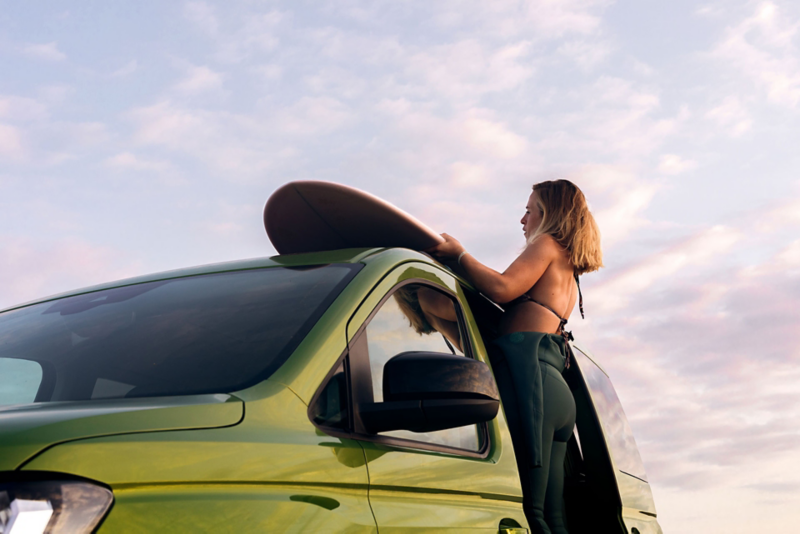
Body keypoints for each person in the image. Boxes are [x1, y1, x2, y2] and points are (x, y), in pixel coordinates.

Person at [426, 179, 603, 533]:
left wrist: (460, 255)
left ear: (548, 214)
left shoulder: (547, 245)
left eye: (529, 210)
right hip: (556, 392)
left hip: (531, 387)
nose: (523, 220)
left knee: (528, 512)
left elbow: (502, 289)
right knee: (554, 518)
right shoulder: (569, 270)